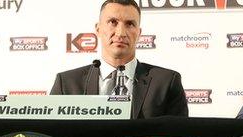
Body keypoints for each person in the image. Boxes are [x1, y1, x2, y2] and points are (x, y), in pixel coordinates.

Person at [50, 0, 188, 119]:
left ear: (139, 33)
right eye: (113, 22)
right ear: (98, 29)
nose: (121, 33)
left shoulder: (167, 82)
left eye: (129, 24)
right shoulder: (67, 83)